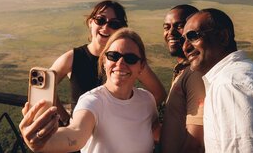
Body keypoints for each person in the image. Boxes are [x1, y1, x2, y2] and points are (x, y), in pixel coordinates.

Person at [19, 28, 159, 153]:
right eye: (113, 56)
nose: (120, 63)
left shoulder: (147, 100)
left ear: (141, 66)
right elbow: (75, 133)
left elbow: (155, 131)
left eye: (130, 58)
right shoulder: (92, 101)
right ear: (104, 62)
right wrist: (44, 142)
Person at [181, 8, 253, 153]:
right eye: (184, 39)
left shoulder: (230, 85)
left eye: (193, 36)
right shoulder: (246, 72)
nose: (185, 47)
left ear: (223, 37)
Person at [49, 0, 166, 124]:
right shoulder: (73, 58)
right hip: (81, 133)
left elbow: (158, 93)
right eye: (100, 20)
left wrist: (134, 118)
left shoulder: (129, 61)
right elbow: (46, 86)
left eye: (114, 24)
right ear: (90, 23)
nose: (105, 27)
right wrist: (65, 119)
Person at [160, 5, 205, 153]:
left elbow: (196, 140)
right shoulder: (183, 70)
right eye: (167, 27)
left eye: (179, 26)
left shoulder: (195, 74)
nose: (171, 33)